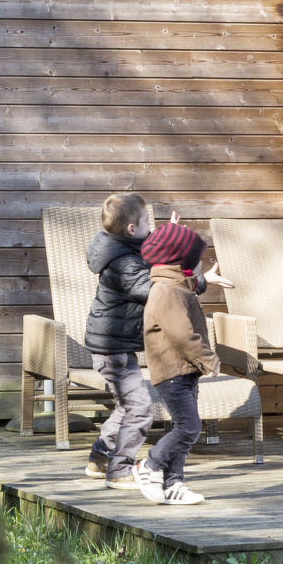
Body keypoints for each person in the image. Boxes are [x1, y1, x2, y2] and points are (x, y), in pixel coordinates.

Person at [137, 221, 219, 505]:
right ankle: (150, 465)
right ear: (180, 260)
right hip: (172, 371)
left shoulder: (176, 284)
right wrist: (207, 359)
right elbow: (181, 334)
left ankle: (173, 483)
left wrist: (203, 280)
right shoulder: (166, 291)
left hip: (184, 371)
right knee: (189, 428)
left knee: (183, 426)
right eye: (195, 259)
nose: (198, 265)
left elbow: (191, 283)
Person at [82, 193, 157, 487]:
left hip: (114, 346)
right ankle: (120, 470)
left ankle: (101, 457)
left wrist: (173, 236)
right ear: (131, 230)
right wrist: (196, 281)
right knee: (141, 407)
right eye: (148, 221)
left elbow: (153, 251)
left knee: (128, 406)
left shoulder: (123, 248)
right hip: (112, 349)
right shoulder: (124, 262)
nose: (151, 227)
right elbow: (154, 289)